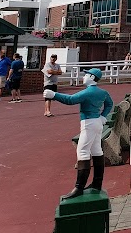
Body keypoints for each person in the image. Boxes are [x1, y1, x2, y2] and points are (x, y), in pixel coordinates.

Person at [44, 68, 113, 199]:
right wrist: (103, 116)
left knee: (82, 151)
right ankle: (97, 183)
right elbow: (110, 104)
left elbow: (71, 100)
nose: (84, 77)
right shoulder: (102, 92)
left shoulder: (88, 92)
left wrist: (54, 95)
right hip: (97, 122)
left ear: (92, 77)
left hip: (88, 123)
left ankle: (79, 187)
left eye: (86, 75)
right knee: (96, 150)